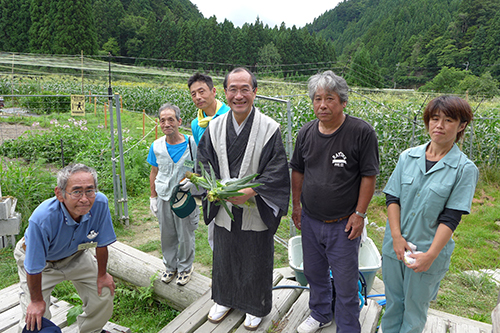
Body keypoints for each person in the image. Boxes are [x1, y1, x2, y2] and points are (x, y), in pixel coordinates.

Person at [196, 67, 290, 331]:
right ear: (225, 92)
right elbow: (203, 163)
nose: (239, 95)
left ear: (255, 92)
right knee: (224, 252)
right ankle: (224, 299)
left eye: (245, 89)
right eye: (233, 89)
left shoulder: (269, 128)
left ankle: (255, 305)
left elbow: (277, 170)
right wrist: (215, 190)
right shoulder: (214, 128)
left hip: (255, 204)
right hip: (224, 204)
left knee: (255, 253)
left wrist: (251, 191)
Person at [290, 70, 379, 333]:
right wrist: (296, 206)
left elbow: (369, 175)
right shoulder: (306, 132)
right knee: (315, 273)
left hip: (343, 224)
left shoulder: (361, 132)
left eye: (330, 98)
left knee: (345, 281)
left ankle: (349, 326)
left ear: (343, 101)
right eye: (317, 99)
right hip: (311, 219)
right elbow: (298, 170)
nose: (323, 105)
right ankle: (320, 313)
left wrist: (360, 214)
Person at [381, 95, 478, 333]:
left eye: (448, 120)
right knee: (393, 303)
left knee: (414, 309)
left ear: (461, 125)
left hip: (427, 250)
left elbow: (451, 217)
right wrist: (396, 237)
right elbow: (393, 198)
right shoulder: (408, 157)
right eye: (435, 119)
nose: (439, 126)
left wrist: (431, 255)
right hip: (395, 245)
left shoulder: (464, 169)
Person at [14, 163, 116, 333]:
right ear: (60, 194)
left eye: (89, 190)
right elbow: (33, 265)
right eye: (76, 191)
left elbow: (102, 242)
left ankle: (92, 330)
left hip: (76, 255)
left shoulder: (100, 203)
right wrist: (37, 301)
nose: (84, 199)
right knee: (34, 318)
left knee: (104, 293)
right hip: (41, 263)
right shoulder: (42, 218)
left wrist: (102, 274)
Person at [148, 103, 199, 286]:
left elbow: (201, 168)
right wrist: (153, 197)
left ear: (179, 121)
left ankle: (185, 268)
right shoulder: (156, 146)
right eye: (163, 120)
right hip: (163, 195)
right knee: (167, 233)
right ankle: (170, 266)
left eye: (171, 119)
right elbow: (154, 172)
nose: (166, 124)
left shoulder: (192, 143)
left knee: (185, 233)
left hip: (184, 197)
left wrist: (193, 180)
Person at [187, 72, 230, 250]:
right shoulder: (196, 124)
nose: (198, 97)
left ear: (213, 91)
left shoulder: (229, 115)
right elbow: (201, 155)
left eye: (202, 91)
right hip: (211, 184)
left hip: (232, 180)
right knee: (214, 228)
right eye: (193, 94)